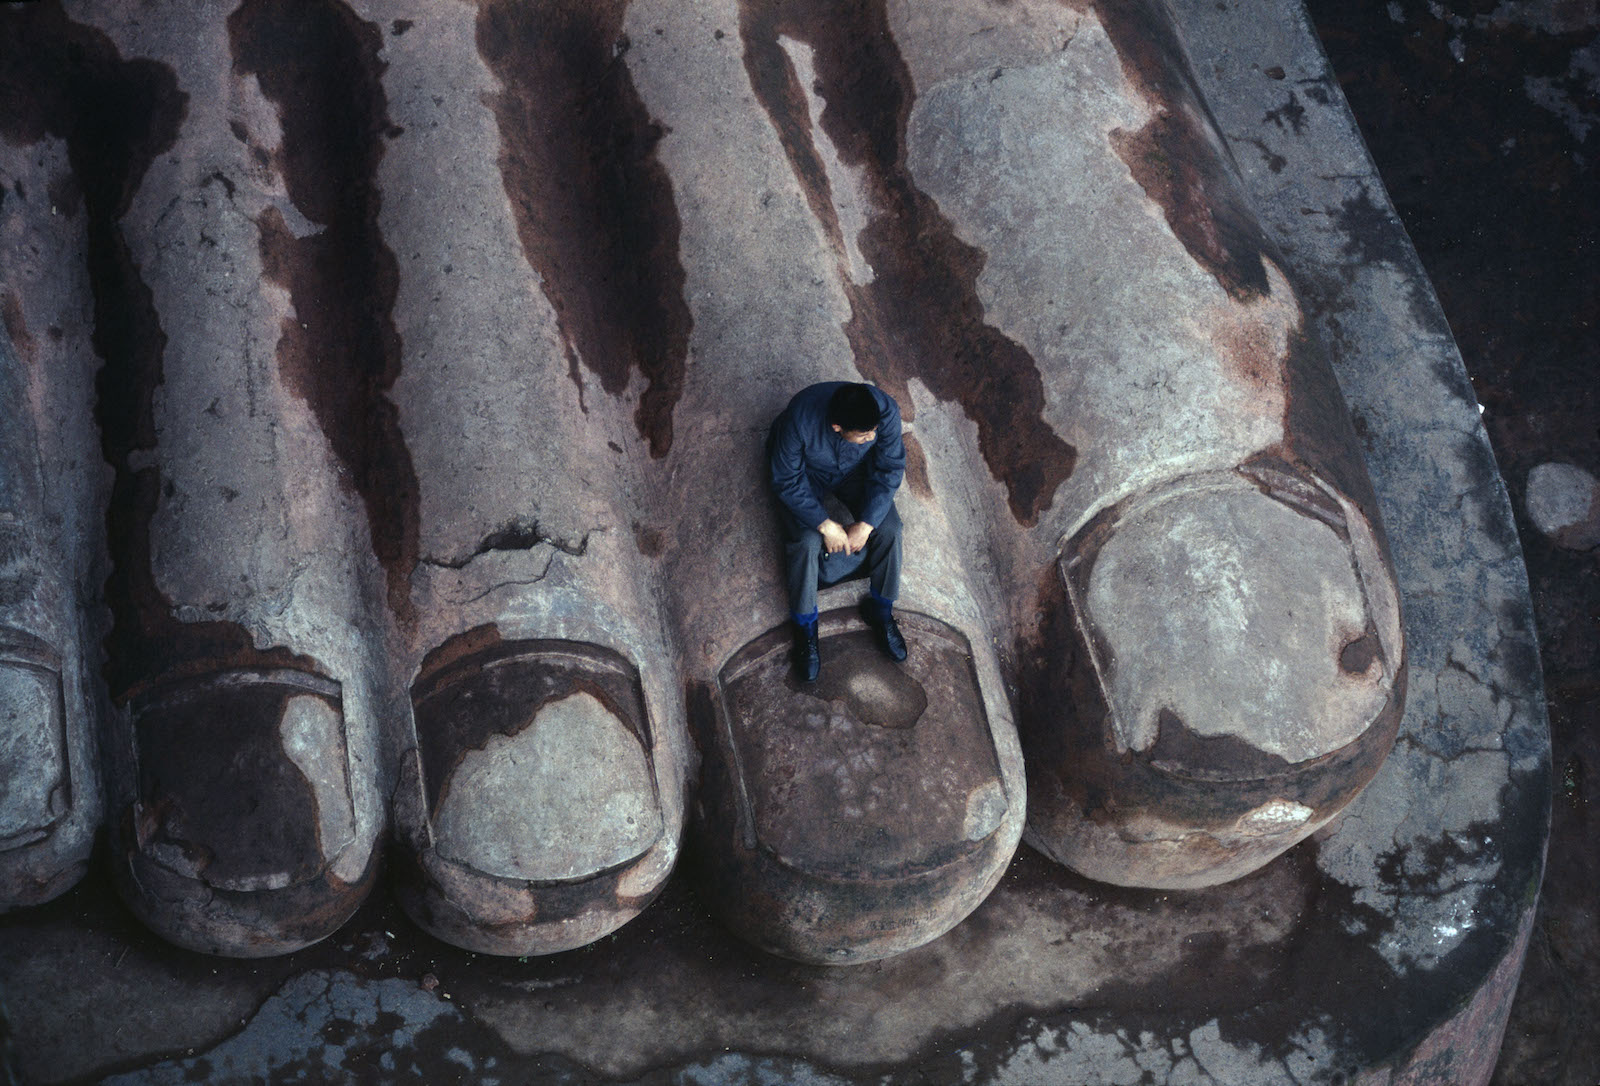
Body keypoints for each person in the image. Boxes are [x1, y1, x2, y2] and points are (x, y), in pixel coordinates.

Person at [768, 382, 908, 681]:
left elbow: (890, 467)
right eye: (863, 435)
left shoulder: (884, 411)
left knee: (891, 528)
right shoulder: (798, 421)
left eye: (873, 431)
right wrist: (825, 523)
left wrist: (866, 524)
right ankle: (805, 628)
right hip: (806, 475)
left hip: (855, 471)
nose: (872, 437)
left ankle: (881, 612)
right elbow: (786, 480)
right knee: (806, 543)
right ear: (836, 426)